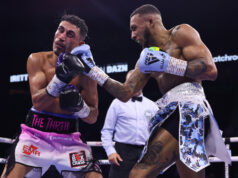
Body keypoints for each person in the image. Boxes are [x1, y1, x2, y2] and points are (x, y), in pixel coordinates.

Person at [69, 4, 232, 178]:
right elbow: (125, 93)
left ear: (150, 21)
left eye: (134, 28)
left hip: (189, 109)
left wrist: (168, 63)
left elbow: (210, 71)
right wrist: (93, 70)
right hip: (172, 112)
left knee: (139, 174)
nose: (132, 35)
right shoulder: (146, 57)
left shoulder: (181, 33)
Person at [2, 14, 102, 178]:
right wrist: (61, 79)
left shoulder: (87, 73)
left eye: (70, 34)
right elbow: (38, 102)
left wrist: (81, 107)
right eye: (60, 30)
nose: (61, 37)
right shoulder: (37, 59)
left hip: (69, 139)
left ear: (80, 44)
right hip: (34, 135)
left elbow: (93, 116)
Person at [101, 70, 158, 178]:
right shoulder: (117, 103)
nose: (134, 85)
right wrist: (110, 151)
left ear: (143, 82)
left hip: (145, 153)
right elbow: (107, 131)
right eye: (131, 82)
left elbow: (157, 133)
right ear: (126, 83)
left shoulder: (152, 106)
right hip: (122, 153)